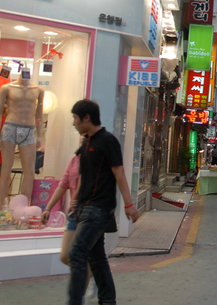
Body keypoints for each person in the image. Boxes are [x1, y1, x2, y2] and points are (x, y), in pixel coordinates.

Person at [67, 99, 138, 305]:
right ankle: (107, 300)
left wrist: (129, 204)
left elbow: (119, 172)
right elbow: (83, 175)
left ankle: (74, 302)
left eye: (75, 119)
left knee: (77, 253)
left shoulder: (108, 140)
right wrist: (75, 200)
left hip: (98, 209)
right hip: (85, 208)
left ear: (86, 118)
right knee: (95, 257)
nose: (74, 123)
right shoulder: (86, 141)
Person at [41, 149, 95, 297]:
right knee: (65, 255)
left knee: (80, 256)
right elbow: (63, 184)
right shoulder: (74, 160)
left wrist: (76, 198)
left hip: (89, 212)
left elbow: (84, 182)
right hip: (74, 213)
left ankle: (80, 297)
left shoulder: (93, 157)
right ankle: (93, 273)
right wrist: (48, 208)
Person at [0, 73, 44, 209]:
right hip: (10, 127)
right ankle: (1, 209)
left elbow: (39, 114)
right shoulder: (6, 88)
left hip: (28, 130)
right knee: (5, 170)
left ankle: (23, 208)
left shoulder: (38, 90)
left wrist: (40, 134)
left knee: (29, 171)